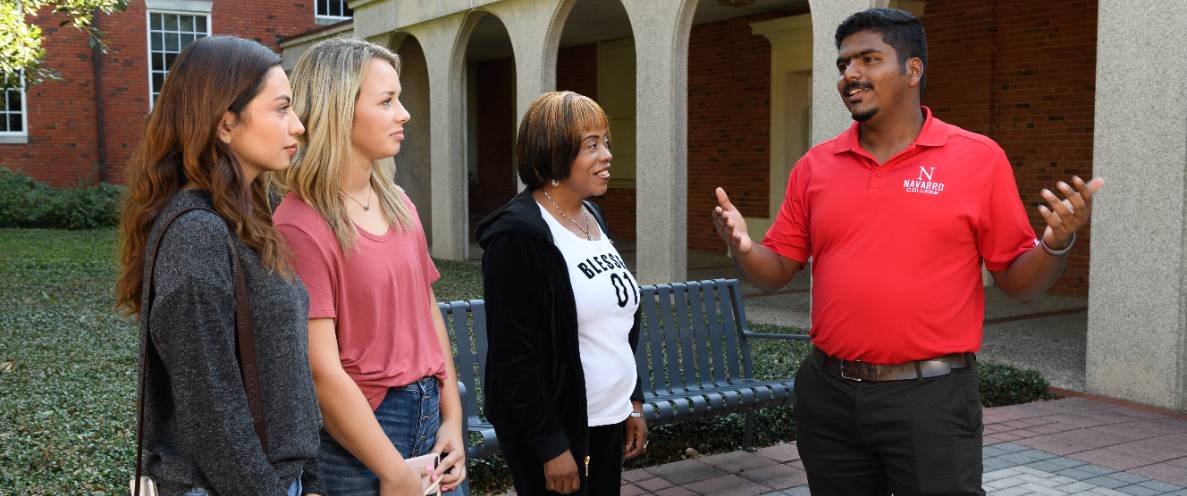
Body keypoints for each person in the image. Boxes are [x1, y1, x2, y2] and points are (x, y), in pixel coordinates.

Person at [712, 8, 1104, 496]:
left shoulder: (977, 159)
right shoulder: (816, 166)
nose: (850, 74)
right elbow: (774, 273)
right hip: (829, 395)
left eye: (868, 59)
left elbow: (1019, 283)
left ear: (912, 69)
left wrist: (1055, 241)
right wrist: (743, 247)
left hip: (932, 399)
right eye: (843, 64)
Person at [116, 36, 322, 495]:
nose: (299, 126)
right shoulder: (198, 235)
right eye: (282, 109)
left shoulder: (248, 218)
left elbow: (286, 373)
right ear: (226, 124)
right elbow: (211, 410)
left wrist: (311, 480)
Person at [274, 37, 467, 495]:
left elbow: (427, 312)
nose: (404, 114)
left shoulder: (398, 203)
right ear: (340, 110)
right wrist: (391, 469)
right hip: (363, 439)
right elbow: (321, 371)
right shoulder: (300, 225)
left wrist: (454, 418)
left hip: (431, 416)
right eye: (388, 101)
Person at [474, 91, 649, 496]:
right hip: (557, 430)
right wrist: (551, 446)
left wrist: (633, 403)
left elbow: (615, 325)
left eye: (606, 142)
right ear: (554, 152)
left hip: (607, 418)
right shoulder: (518, 236)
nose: (606, 155)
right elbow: (513, 357)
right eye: (592, 145)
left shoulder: (593, 217)